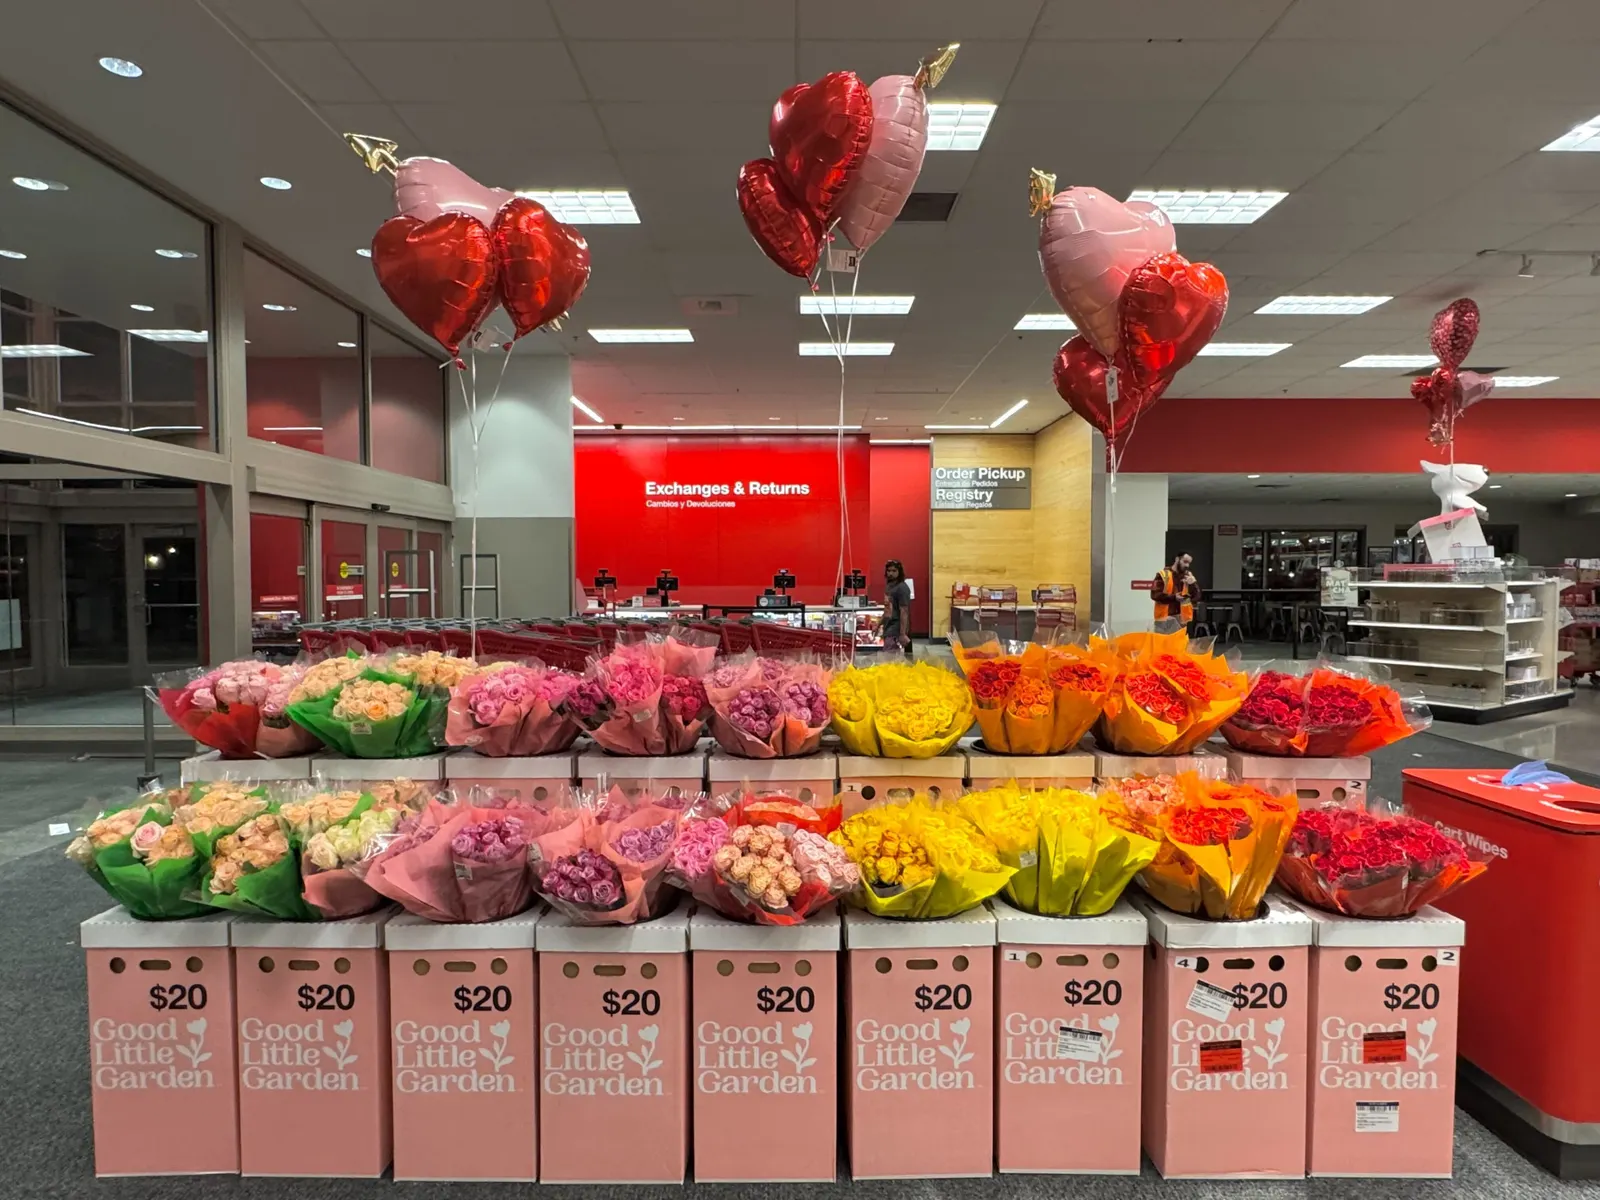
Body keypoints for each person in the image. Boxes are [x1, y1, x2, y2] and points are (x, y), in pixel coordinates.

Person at [1153, 552, 1201, 631]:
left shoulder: (1188, 576)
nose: (1187, 565)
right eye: (1185, 562)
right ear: (1177, 559)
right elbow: (1154, 594)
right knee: (1163, 643)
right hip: (1164, 619)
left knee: (1179, 643)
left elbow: (1197, 597)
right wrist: (1174, 597)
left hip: (1181, 619)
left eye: (1189, 563)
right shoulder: (1162, 575)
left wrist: (1194, 584)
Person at [881, 560, 912, 651]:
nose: (890, 573)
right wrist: (879, 624)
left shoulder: (902, 588)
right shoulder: (889, 586)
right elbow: (888, 609)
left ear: (899, 572)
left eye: (894, 571)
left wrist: (902, 633)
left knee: (889, 657)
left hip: (896, 628)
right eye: (889, 570)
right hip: (888, 626)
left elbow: (904, 611)